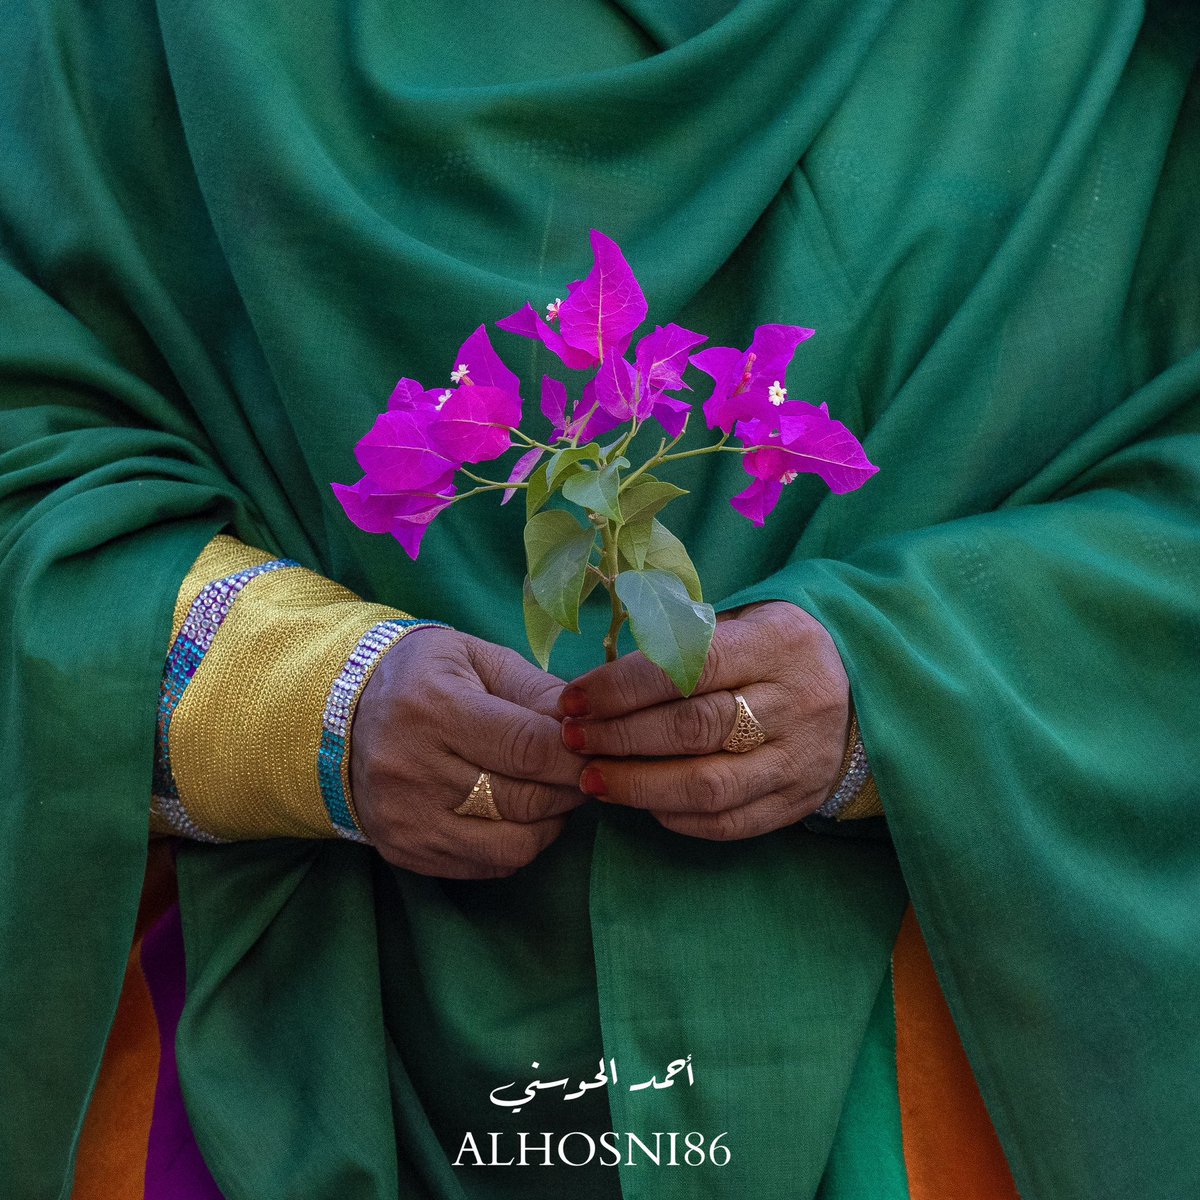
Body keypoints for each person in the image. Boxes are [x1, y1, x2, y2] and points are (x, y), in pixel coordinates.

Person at [2, 1, 1197, 1197]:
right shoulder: (129, 32)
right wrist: (307, 698)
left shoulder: (1091, 40)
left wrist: (899, 684)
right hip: (271, 1045)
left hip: (927, 1053)